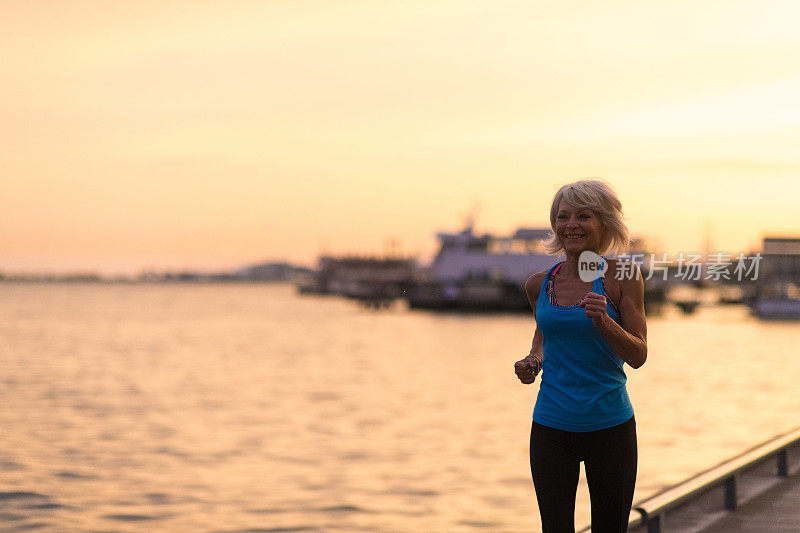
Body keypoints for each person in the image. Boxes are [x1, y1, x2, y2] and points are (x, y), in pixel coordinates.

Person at [514, 179, 647, 533]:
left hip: (611, 426)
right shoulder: (538, 283)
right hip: (551, 426)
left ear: (604, 224)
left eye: (583, 216)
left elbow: (639, 354)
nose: (570, 225)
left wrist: (605, 322)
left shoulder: (622, 276)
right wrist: (533, 360)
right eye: (563, 217)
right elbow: (545, 335)